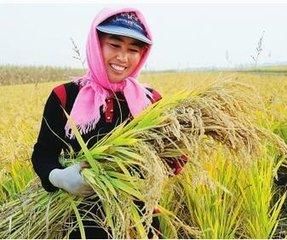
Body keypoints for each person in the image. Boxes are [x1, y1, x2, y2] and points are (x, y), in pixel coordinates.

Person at [31, 7, 186, 239]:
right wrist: (59, 177)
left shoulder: (151, 102)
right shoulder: (65, 96)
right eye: (114, 45)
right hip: (81, 223)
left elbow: (172, 162)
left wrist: (176, 153)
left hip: (139, 222)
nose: (123, 58)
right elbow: (43, 154)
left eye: (133, 49)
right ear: (96, 43)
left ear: (142, 55)